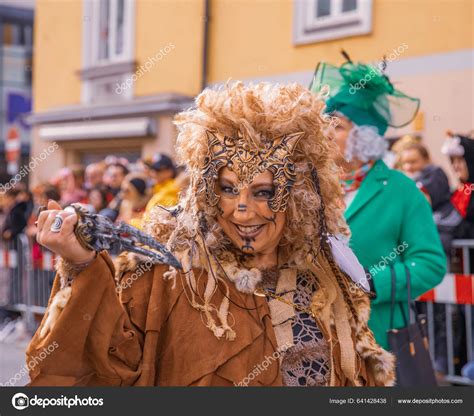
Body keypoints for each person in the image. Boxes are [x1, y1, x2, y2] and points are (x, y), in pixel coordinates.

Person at [26, 82, 395, 387]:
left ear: (298, 197)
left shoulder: (324, 274)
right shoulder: (166, 272)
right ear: (206, 191)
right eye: (229, 190)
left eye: (264, 192)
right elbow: (106, 367)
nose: (243, 210)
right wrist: (82, 263)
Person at [310, 57, 447, 352]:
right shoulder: (310, 187)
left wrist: (371, 283)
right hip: (314, 335)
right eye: (325, 123)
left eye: (339, 126)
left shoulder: (401, 189)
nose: (327, 132)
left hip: (377, 337)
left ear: (365, 136)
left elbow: (430, 263)